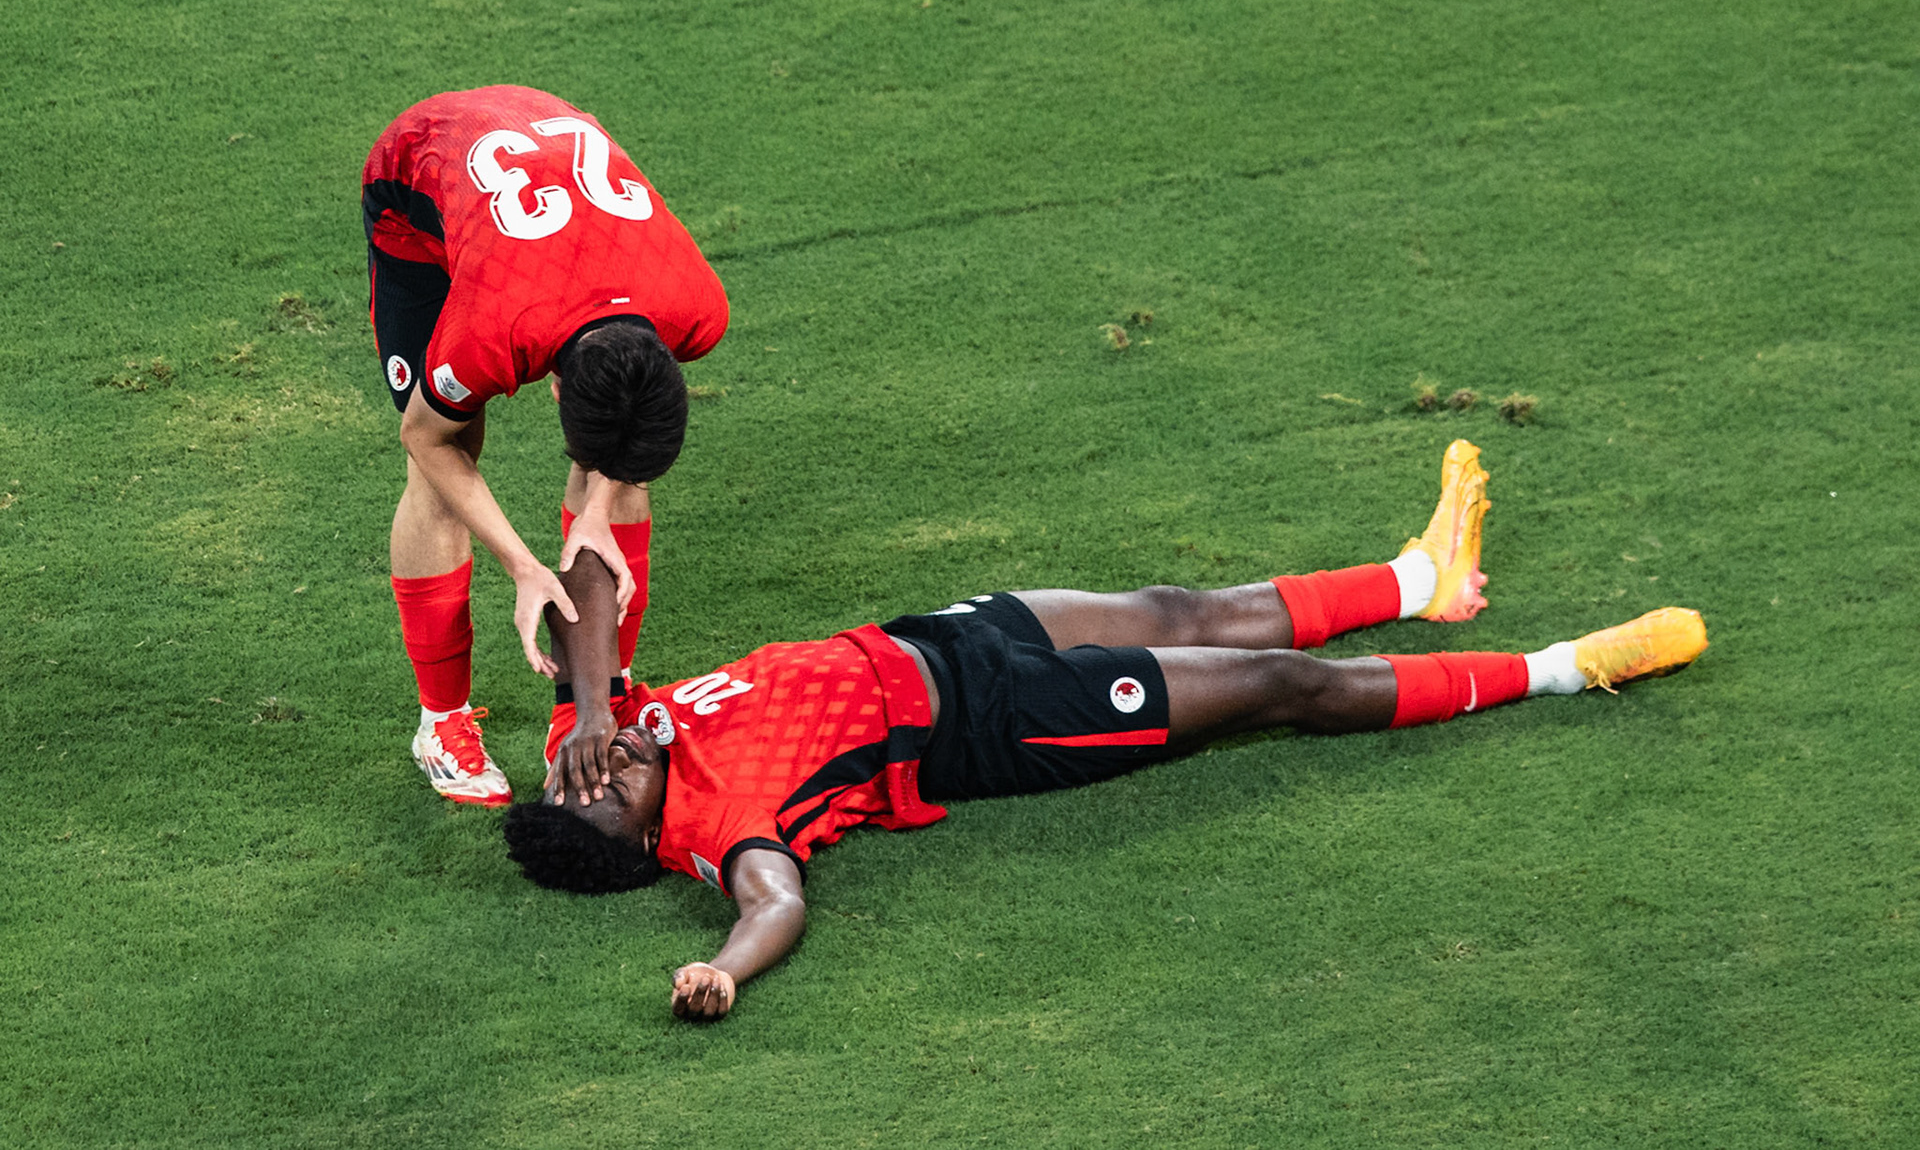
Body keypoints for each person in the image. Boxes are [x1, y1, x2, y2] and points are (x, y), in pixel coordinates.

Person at [502, 441, 1708, 1020]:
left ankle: (1420, 578)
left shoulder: (608, 725)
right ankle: (1563, 668)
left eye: (573, 777)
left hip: (940, 637)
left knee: (1189, 606)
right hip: (1000, 723)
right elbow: (777, 901)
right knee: (1282, 684)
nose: (594, 773)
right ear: (643, 839)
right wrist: (723, 967)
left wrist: (594, 710)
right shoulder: (715, 828)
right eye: (600, 798)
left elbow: (585, 592)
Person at [363, 85, 729, 806]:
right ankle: (440, 723)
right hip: (420, 179)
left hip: (552, 190)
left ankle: (588, 705)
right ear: (555, 389)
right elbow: (425, 436)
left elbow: (624, 425)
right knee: (445, 451)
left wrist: (600, 506)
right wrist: (524, 565)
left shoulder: (698, 310)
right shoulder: (491, 336)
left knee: (622, 469)